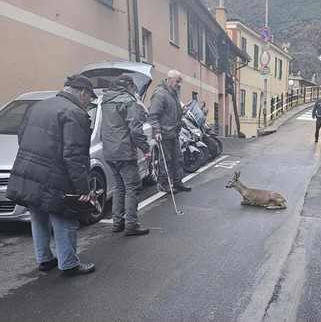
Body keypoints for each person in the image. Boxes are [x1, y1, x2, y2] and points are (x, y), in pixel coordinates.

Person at [6, 74, 97, 277]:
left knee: (38, 216)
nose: (89, 103)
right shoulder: (74, 113)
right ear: (83, 94)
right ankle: (69, 263)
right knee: (65, 218)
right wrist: (83, 187)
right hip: (56, 175)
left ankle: (45, 259)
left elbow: (23, 137)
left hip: (29, 171)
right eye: (90, 99)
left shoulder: (38, 106)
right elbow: (74, 154)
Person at [101, 75, 152, 236]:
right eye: (134, 87)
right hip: (124, 151)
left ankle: (118, 222)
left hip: (109, 150)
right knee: (133, 186)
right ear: (129, 86)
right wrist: (146, 149)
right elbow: (136, 129)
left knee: (119, 186)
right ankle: (132, 224)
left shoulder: (106, 100)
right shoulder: (129, 101)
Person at [148, 70, 192, 193]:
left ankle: (178, 182)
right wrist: (157, 130)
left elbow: (171, 111)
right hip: (164, 133)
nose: (179, 84)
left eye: (180, 82)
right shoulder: (160, 94)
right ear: (170, 79)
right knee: (166, 160)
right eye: (177, 81)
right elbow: (152, 115)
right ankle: (165, 184)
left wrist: (181, 111)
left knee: (178, 158)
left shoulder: (174, 93)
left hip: (174, 132)